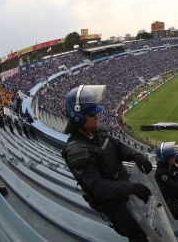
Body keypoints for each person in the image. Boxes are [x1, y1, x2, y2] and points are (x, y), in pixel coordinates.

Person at [61, 85, 153, 242]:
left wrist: (135, 154)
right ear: (79, 117)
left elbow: (116, 145)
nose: (97, 116)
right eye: (92, 114)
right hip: (113, 205)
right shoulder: (76, 151)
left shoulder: (97, 131)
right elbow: (99, 187)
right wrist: (133, 188)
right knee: (137, 234)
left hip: (123, 190)